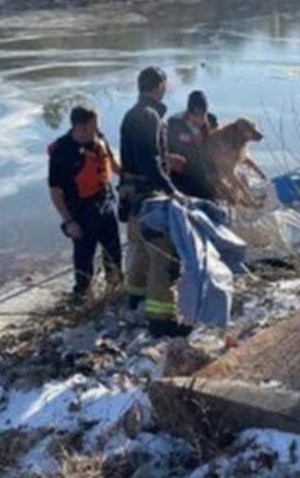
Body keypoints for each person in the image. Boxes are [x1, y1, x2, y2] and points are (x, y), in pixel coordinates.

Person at [119, 67, 194, 338]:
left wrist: (167, 159)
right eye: (165, 84)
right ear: (160, 86)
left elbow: (141, 156)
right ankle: (161, 320)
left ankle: (136, 300)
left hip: (134, 198)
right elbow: (149, 163)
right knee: (163, 256)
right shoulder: (148, 116)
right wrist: (173, 190)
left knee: (140, 250)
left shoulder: (134, 114)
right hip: (149, 197)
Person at [47, 105, 124, 300]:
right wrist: (68, 222)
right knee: (83, 262)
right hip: (81, 213)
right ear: (80, 127)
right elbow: (55, 192)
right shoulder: (61, 151)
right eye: (92, 126)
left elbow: (113, 166)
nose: (96, 129)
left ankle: (114, 291)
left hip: (105, 204)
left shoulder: (98, 139)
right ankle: (83, 298)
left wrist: (135, 176)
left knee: (114, 254)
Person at [167, 90, 220, 200]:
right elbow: (167, 149)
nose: (200, 119)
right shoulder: (175, 123)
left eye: (203, 115)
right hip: (183, 173)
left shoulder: (212, 121)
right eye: (195, 116)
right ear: (188, 112)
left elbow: (217, 146)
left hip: (205, 170)